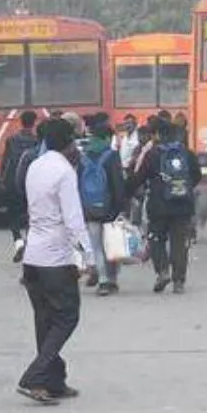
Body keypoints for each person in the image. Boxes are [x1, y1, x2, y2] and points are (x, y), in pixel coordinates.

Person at [17, 116, 91, 403]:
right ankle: (34, 377)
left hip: (33, 254)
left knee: (45, 319)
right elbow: (73, 218)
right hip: (55, 257)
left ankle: (53, 381)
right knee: (67, 317)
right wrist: (88, 254)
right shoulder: (64, 171)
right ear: (69, 143)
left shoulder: (35, 165)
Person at [132, 119, 202, 294]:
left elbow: (139, 177)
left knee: (156, 239)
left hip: (158, 205)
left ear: (158, 135)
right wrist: (183, 188)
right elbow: (197, 175)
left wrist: (129, 193)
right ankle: (179, 281)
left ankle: (162, 271)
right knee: (180, 243)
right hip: (183, 205)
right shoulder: (187, 154)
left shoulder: (153, 154)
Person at [76, 122, 129, 295]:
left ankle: (103, 281)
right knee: (113, 245)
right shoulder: (112, 156)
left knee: (96, 246)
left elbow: (77, 185)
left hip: (90, 209)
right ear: (107, 138)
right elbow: (118, 184)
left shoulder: (83, 158)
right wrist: (120, 207)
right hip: (110, 210)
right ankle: (112, 280)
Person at [0, 110, 42, 262]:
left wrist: (3, 180)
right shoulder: (37, 142)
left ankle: (18, 242)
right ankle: (29, 245)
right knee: (32, 215)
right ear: (34, 122)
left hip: (13, 182)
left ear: (21, 122)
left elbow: (5, 162)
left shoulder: (11, 140)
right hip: (32, 183)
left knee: (13, 215)